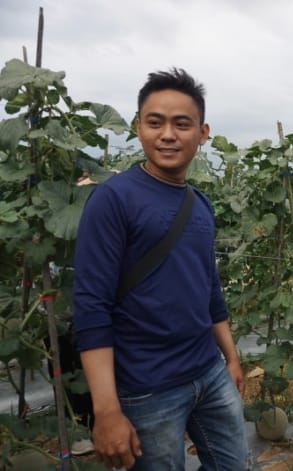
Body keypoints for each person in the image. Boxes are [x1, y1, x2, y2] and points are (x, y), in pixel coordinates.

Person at [72, 68, 249, 470]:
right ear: (138, 127)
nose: (167, 134)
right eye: (155, 122)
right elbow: (91, 307)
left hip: (209, 372)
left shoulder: (199, 203)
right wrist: (107, 411)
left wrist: (231, 358)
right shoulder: (112, 200)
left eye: (181, 124)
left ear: (202, 133)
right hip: (146, 388)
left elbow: (209, 290)